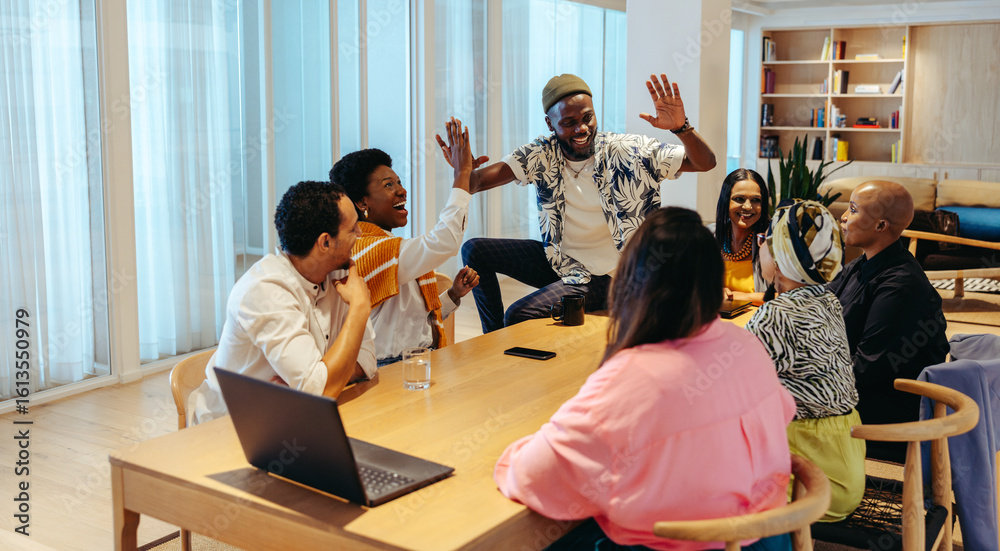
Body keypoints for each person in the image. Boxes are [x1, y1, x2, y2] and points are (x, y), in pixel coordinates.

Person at [494, 207, 796, 551]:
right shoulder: (747, 345)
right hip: (769, 537)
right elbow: (780, 414)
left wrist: (517, 450)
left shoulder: (630, 378)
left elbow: (533, 474)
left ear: (631, 283)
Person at [438, 73, 717, 333]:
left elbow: (705, 162)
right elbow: (474, 183)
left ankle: (508, 349)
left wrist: (681, 128)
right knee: (475, 251)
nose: (581, 128)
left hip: (612, 276)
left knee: (518, 314)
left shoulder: (629, 151)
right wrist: (463, 170)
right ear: (550, 124)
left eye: (587, 118)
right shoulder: (541, 154)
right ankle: (493, 340)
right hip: (563, 262)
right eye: (569, 123)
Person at [187, 181, 376, 425]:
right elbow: (319, 391)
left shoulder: (341, 274)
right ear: (325, 242)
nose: (360, 234)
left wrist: (322, 377)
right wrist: (359, 309)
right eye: (352, 229)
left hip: (298, 418)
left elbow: (368, 358)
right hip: (233, 427)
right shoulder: (265, 290)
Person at [745, 201, 864, 522]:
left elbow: (732, 390)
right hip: (845, 468)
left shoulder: (776, 314)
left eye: (765, 241)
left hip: (808, 481)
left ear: (782, 255)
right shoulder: (828, 300)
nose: (760, 249)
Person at [331, 119, 480, 365]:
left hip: (417, 360)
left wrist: (453, 294)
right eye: (388, 185)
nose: (402, 191)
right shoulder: (366, 249)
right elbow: (445, 241)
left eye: (399, 182)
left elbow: (412, 324)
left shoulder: (389, 247)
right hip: (390, 369)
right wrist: (462, 174)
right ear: (362, 202)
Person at [828, 180, 949, 462]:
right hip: (857, 384)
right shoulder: (862, 264)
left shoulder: (901, 285)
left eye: (853, 210)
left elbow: (865, 368)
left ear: (881, 226)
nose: (843, 217)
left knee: (777, 405)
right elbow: (819, 305)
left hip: (886, 404)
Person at [712, 168, 770, 303]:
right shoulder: (709, 237)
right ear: (725, 201)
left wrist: (742, 297)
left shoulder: (772, 241)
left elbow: (791, 296)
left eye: (755, 200)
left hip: (759, 316)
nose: (748, 206)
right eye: (739, 199)